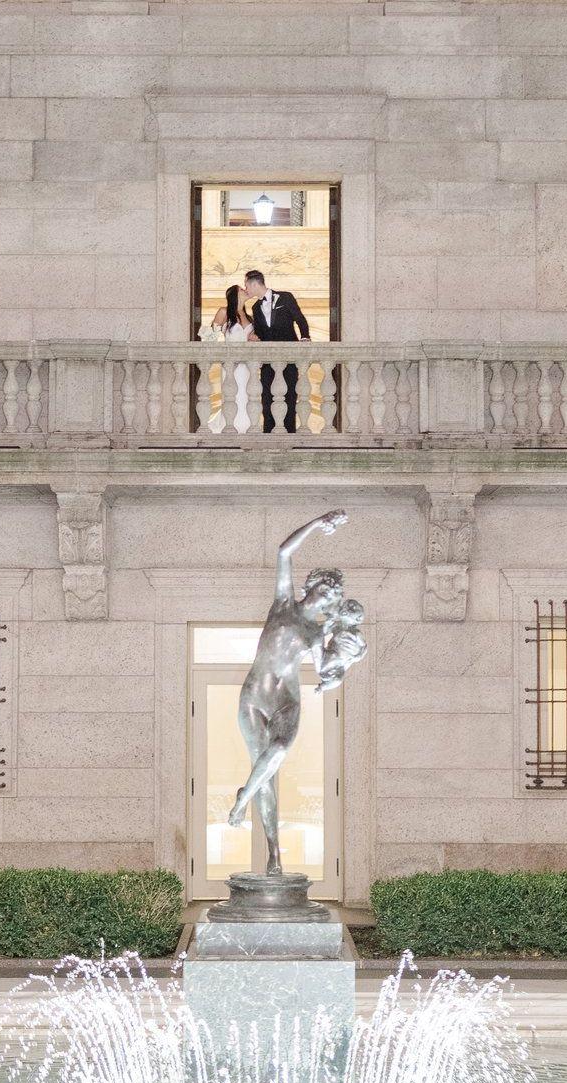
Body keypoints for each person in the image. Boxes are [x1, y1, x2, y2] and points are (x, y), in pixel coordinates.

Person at [228, 511, 355, 876]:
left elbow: (326, 671)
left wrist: (345, 661)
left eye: (331, 597)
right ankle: (274, 855)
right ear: (309, 587)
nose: (325, 598)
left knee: (279, 750)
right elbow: (284, 551)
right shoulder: (283, 603)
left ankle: (243, 797)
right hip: (255, 697)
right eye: (323, 590)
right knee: (265, 772)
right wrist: (318, 523)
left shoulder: (317, 634)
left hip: (287, 700)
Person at [243, 269, 310, 433]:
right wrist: (254, 337)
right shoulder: (255, 307)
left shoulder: (285, 297)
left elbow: (300, 319)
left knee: (290, 396)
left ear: (254, 283)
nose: (246, 289)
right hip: (268, 360)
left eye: (246, 286)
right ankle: (269, 434)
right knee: (266, 397)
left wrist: (305, 338)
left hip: (289, 358)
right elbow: (261, 332)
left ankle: (289, 434)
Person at [200, 283, 256, 432]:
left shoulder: (249, 317)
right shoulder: (224, 312)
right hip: (231, 365)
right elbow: (210, 336)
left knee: (246, 396)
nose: (245, 290)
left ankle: (245, 428)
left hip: (247, 366)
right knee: (232, 395)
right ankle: (229, 426)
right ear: (234, 295)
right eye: (242, 289)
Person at [315, 598, 367, 693]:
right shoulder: (337, 627)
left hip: (339, 661)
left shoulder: (356, 633)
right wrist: (326, 624)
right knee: (316, 642)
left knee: (338, 680)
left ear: (358, 619)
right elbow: (323, 632)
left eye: (352, 609)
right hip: (329, 655)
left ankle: (323, 687)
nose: (346, 609)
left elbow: (363, 647)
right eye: (346, 606)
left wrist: (357, 655)